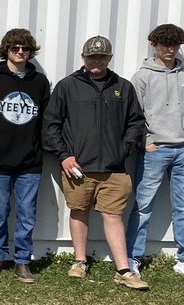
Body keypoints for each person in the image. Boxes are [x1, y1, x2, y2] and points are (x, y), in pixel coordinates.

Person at [43, 35, 149, 290]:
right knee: (79, 211)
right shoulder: (68, 86)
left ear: (109, 58)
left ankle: (123, 269)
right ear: (83, 57)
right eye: (92, 56)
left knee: (113, 216)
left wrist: (124, 149)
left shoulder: (122, 87)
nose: (96, 61)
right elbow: (51, 124)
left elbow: (136, 123)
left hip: (114, 169)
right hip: (77, 167)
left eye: (102, 57)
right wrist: (64, 156)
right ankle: (80, 261)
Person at [125, 24, 184, 280]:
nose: (170, 49)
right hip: (154, 151)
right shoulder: (142, 77)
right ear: (154, 45)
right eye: (164, 44)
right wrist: (147, 141)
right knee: (143, 206)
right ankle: (131, 257)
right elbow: (134, 116)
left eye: (174, 44)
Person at [0, 28, 50, 284]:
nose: (20, 52)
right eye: (15, 48)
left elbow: (45, 120)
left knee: (26, 214)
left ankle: (22, 261)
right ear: (5, 50)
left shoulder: (40, 82)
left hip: (30, 162)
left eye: (25, 49)